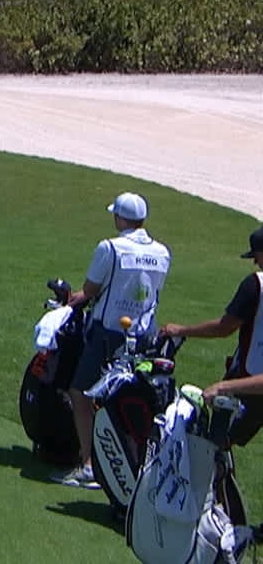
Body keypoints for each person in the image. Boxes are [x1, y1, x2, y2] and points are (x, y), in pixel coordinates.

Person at [52, 192, 171, 488]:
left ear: (120, 218)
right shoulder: (162, 252)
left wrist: (76, 299)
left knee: (81, 393)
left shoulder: (110, 248)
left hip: (107, 332)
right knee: (131, 398)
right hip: (145, 334)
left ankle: (90, 464)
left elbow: (91, 289)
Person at [162, 226, 263, 446]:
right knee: (221, 444)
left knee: (213, 445)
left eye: (256, 256)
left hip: (249, 381)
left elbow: (224, 328)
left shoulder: (255, 285)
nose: (255, 263)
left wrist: (225, 387)